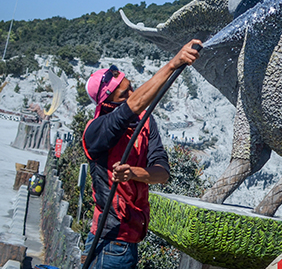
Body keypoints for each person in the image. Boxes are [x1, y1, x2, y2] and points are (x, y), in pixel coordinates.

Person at [81, 40, 201, 268]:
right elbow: (131, 107)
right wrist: (174, 64)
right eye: (125, 93)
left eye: (132, 87)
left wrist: (135, 173)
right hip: (108, 242)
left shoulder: (145, 123)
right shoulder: (96, 130)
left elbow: (162, 173)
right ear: (108, 103)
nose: (134, 94)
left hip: (130, 242)